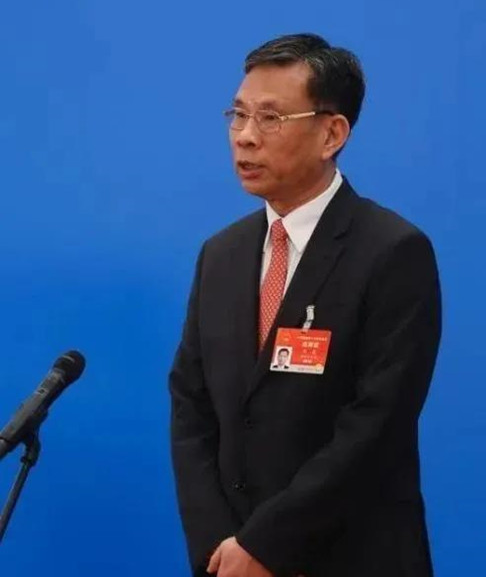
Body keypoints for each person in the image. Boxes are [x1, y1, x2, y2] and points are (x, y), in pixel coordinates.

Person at [169, 33, 441, 577]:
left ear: (331, 134)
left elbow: (376, 425)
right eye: (238, 115)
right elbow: (191, 406)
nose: (245, 136)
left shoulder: (392, 251)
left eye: (270, 118)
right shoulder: (221, 254)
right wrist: (219, 544)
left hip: (352, 558)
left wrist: (265, 546)